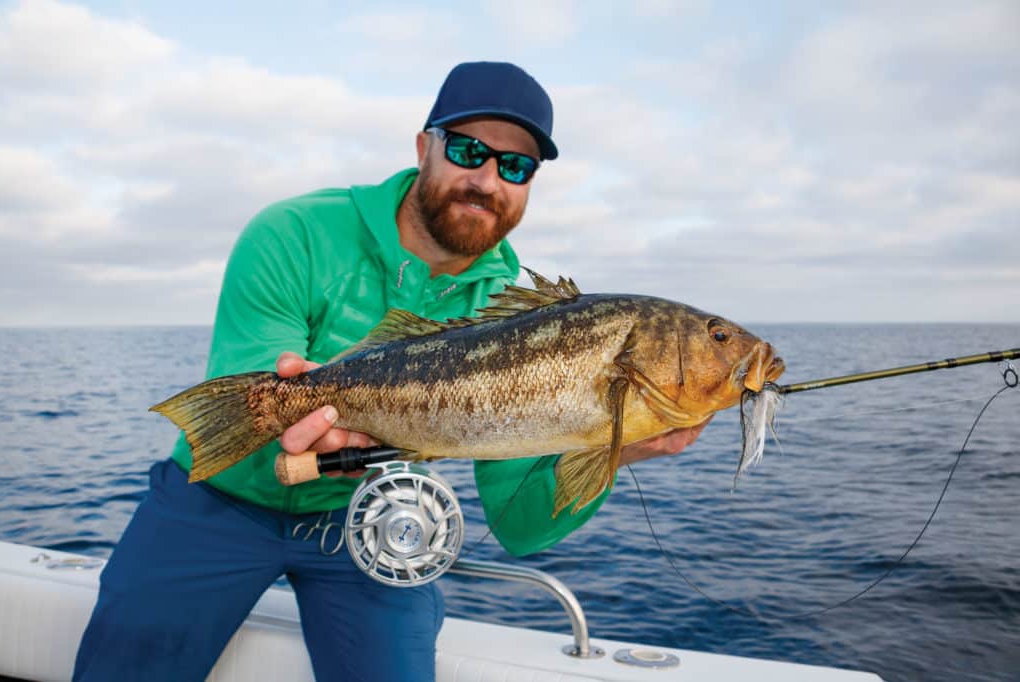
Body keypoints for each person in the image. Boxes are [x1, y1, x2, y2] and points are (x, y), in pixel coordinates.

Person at [72, 61, 708, 682]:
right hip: (214, 500)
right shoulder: (294, 231)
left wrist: (616, 448)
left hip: (372, 522)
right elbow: (251, 378)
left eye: (515, 166)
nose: (488, 179)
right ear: (423, 146)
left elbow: (519, 526)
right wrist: (311, 400)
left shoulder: (516, 313)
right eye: (468, 150)